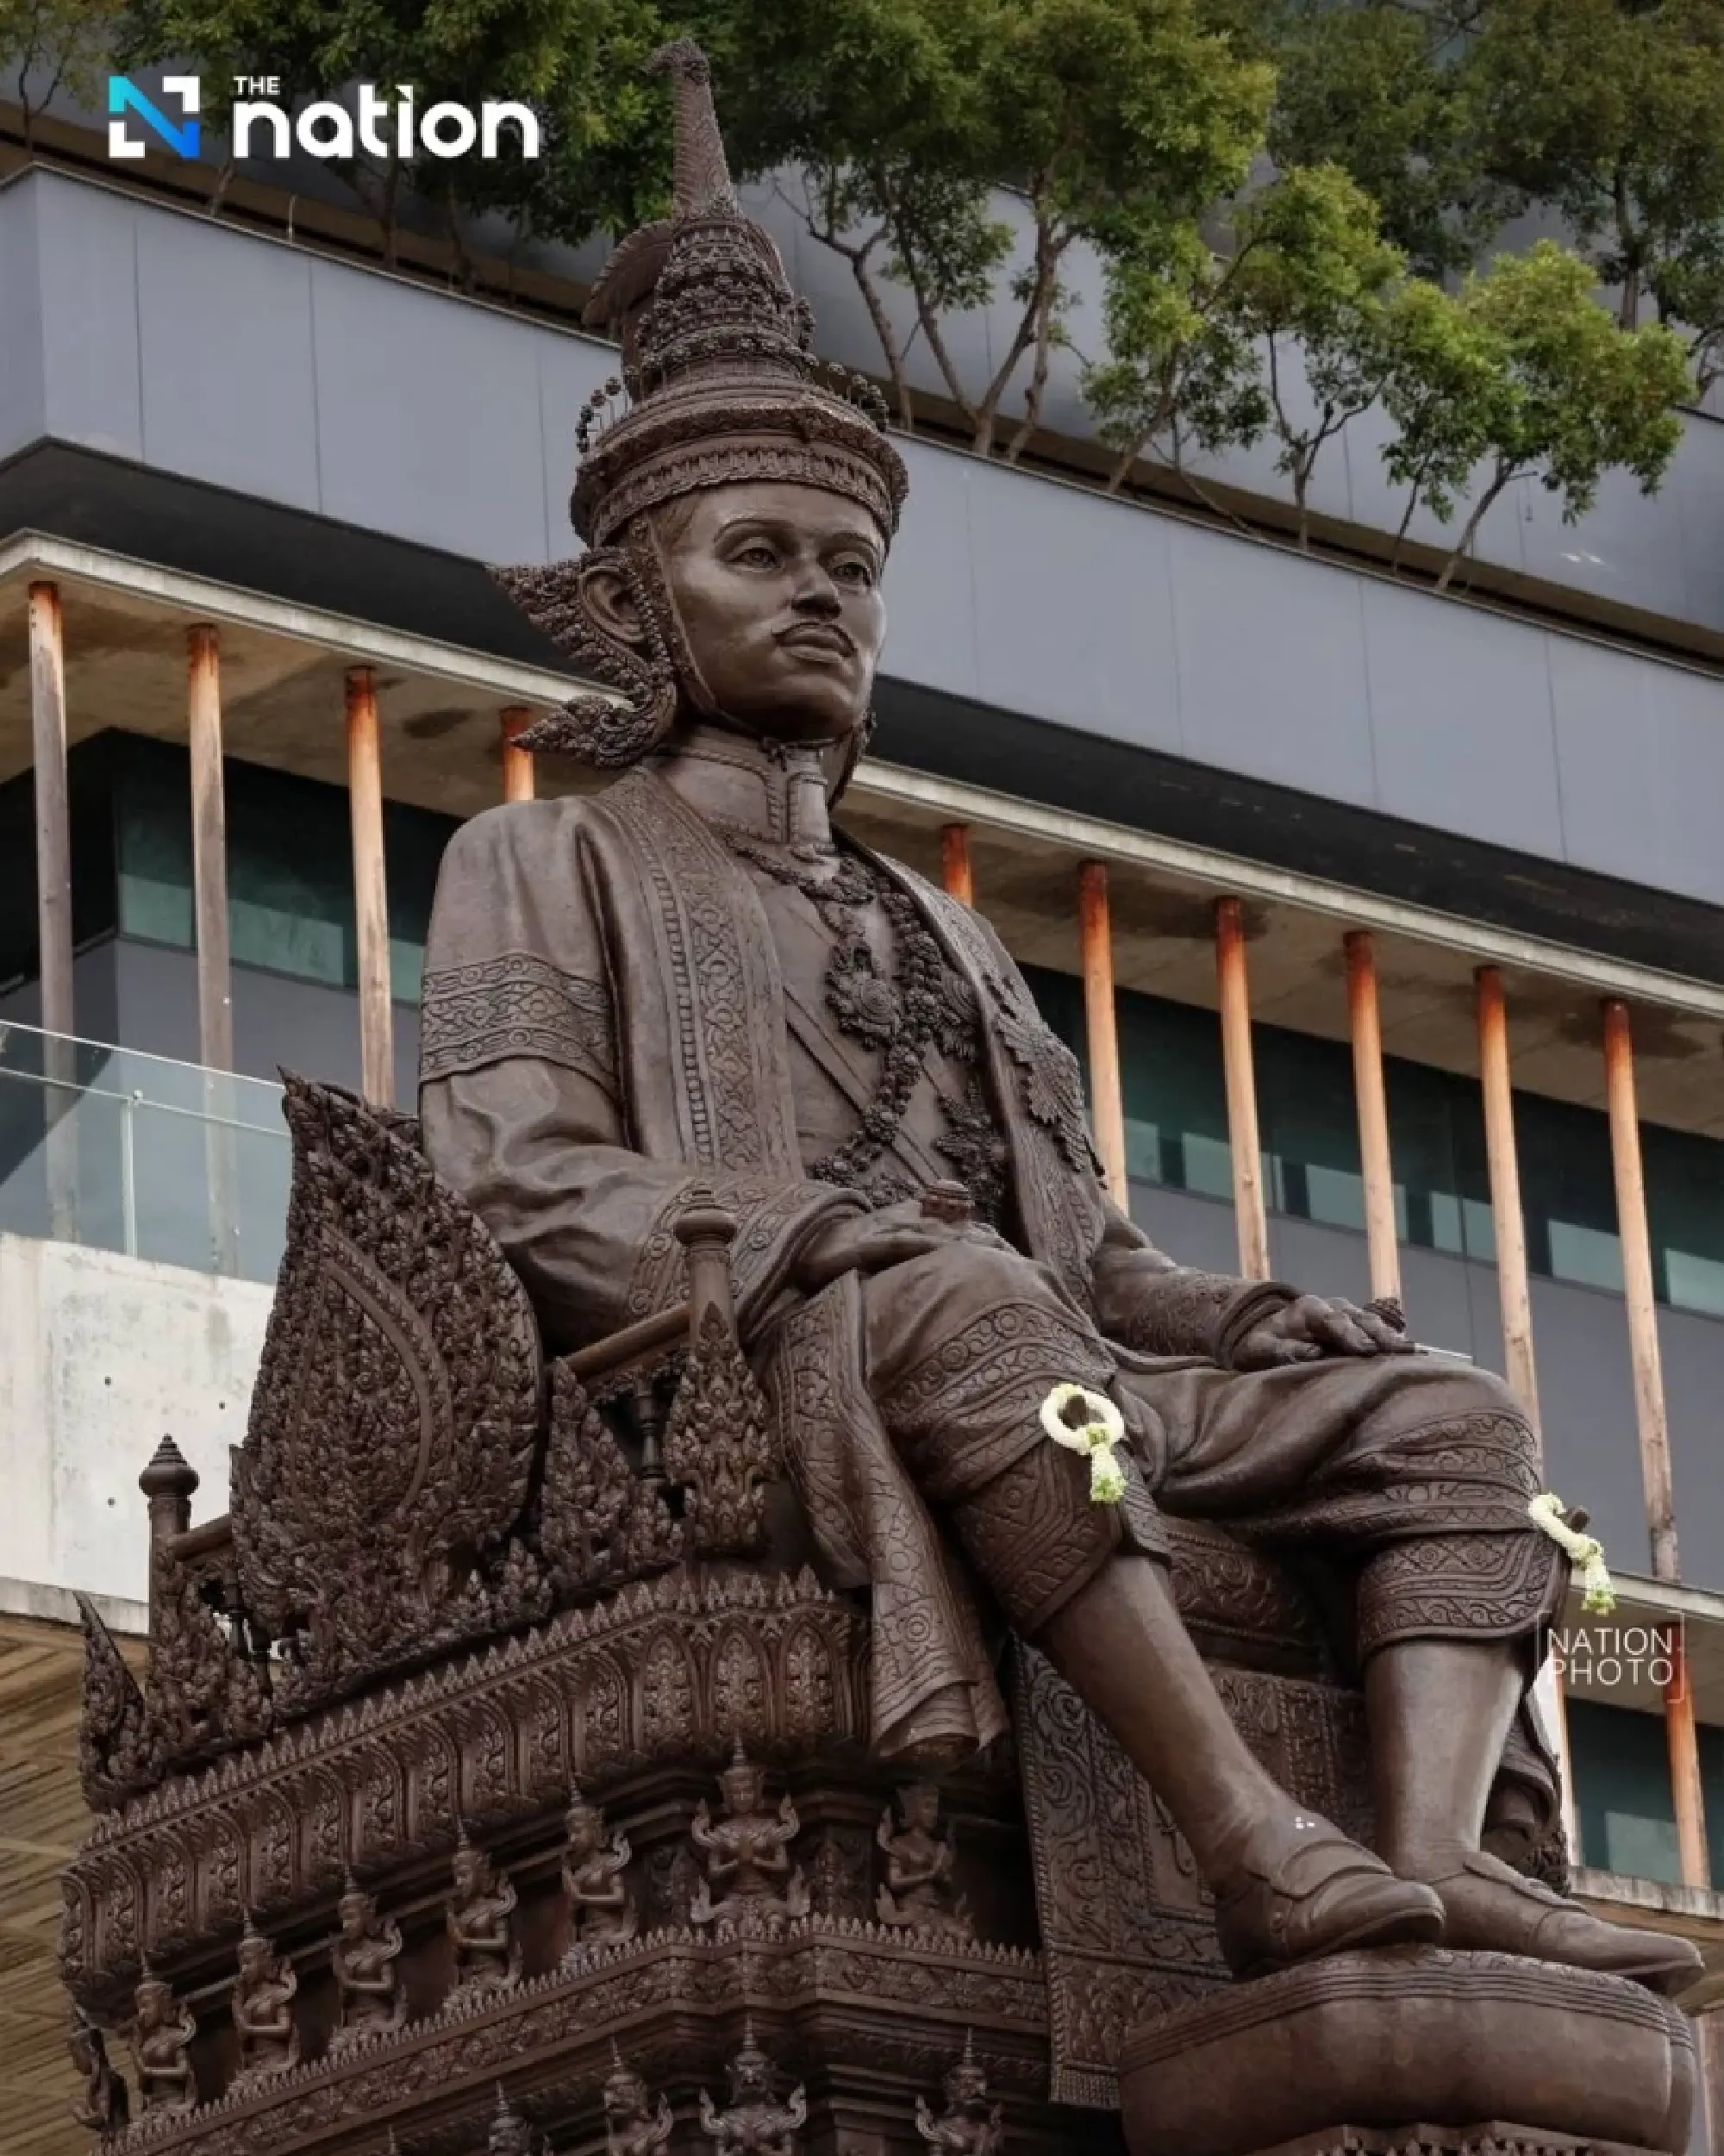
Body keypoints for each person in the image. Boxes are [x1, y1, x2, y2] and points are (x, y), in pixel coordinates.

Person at [419, 40, 1696, 1992]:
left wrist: (1247, 1315)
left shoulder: (951, 931)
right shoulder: (543, 856)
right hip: (772, 1351)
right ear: (635, 600)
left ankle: (1437, 1857)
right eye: (756, 557)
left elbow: (1088, 1244)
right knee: (976, 1305)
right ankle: (1245, 1843)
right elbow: (510, 1181)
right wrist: (820, 1241)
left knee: (1455, 1416)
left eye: (848, 567)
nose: (820, 598)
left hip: (1051, 1365)